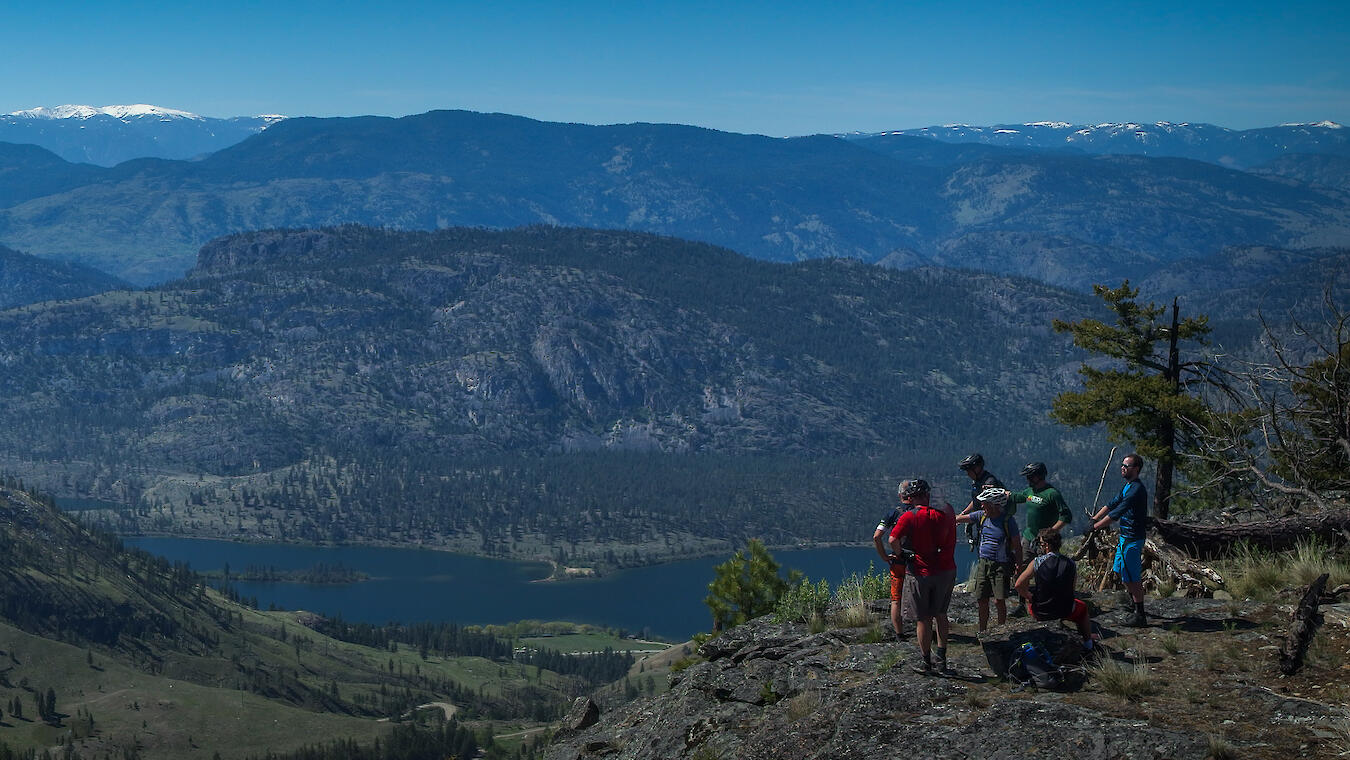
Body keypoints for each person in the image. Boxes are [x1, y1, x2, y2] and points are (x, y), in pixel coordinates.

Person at [888, 478, 957, 674]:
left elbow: (893, 540)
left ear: (910, 498)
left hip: (920, 573)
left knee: (923, 619)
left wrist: (902, 554)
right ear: (928, 495)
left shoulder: (909, 517)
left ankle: (926, 662)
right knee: (941, 615)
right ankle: (942, 660)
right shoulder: (947, 511)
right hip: (946, 570)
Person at [1014, 528, 1097, 653]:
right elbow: (1071, 590)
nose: (1040, 547)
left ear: (1046, 546)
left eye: (1041, 544)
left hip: (1041, 611)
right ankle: (1088, 643)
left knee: (1030, 601)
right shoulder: (1070, 563)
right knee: (1083, 609)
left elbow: (1018, 584)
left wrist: (1030, 597)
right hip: (1065, 609)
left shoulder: (1037, 562)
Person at [1091, 453, 1150, 627]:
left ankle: (1140, 614)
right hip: (1125, 537)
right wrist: (1094, 519)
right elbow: (1112, 503)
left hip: (1132, 538)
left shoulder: (1136, 489)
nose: (1122, 468)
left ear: (1136, 469)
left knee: (1132, 576)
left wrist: (1095, 527)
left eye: (1126, 465)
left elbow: (1117, 513)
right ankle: (1134, 605)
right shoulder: (1127, 487)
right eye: (1122, 465)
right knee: (1123, 574)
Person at [955, 487, 1022, 632]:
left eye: (984, 503)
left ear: (993, 504)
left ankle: (1001, 630)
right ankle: (982, 630)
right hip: (983, 563)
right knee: (982, 599)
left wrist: (1019, 564)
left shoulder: (1007, 521)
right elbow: (960, 519)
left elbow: (1017, 545)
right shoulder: (981, 516)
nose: (982, 505)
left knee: (999, 600)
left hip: (1000, 565)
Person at [872, 481, 913, 640]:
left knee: (896, 599)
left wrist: (884, 556)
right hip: (917, 562)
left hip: (897, 562)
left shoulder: (893, 513)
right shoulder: (920, 511)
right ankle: (925, 629)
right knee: (920, 596)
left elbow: (877, 537)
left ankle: (899, 634)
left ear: (900, 495)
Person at [1009, 462, 1072, 564]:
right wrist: (1003, 493)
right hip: (1028, 538)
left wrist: (1051, 531)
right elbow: (1018, 497)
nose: (1027, 479)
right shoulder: (1030, 491)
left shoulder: (1052, 494)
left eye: (1029, 476)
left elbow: (1066, 516)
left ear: (1038, 476)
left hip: (1045, 542)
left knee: (1045, 570)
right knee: (1022, 568)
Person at [956, 453, 1005, 551]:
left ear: (977, 468)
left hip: (991, 526)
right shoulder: (978, 481)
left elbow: (990, 508)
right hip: (981, 524)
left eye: (969, 471)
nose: (968, 474)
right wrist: (964, 512)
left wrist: (966, 518)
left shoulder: (989, 483)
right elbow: (976, 500)